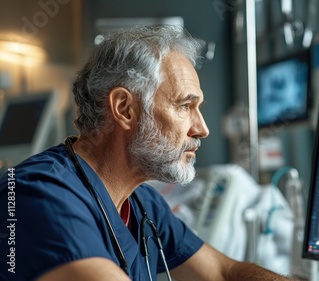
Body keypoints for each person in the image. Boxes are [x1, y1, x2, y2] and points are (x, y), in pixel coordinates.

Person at [0, 25, 302, 281]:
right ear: (125, 109)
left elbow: (225, 272)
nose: (202, 128)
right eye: (185, 106)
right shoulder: (38, 196)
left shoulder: (141, 203)